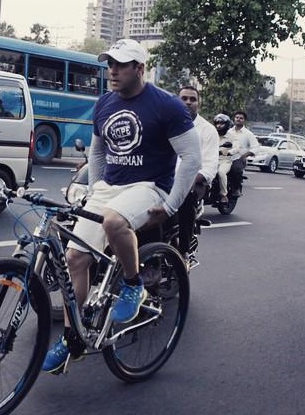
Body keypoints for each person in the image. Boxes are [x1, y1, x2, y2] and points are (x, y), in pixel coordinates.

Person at [41, 39, 201, 374]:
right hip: (109, 188)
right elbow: (97, 152)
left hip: (149, 187)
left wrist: (171, 205)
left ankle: (132, 282)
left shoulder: (166, 106)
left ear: (139, 69)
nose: (112, 71)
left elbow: (191, 158)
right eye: (109, 63)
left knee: (114, 222)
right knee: (75, 257)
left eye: (121, 64)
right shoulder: (104, 105)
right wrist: (94, 187)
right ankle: (73, 340)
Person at [176, 85, 219, 265]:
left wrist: (185, 181)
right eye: (184, 98)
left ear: (198, 104)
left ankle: (184, 252)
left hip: (196, 182)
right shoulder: (167, 124)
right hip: (166, 180)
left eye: (192, 99)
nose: (188, 102)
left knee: (185, 196)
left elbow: (209, 167)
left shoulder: (208, 130)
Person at [227, 110, 258, 196]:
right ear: (234, 119)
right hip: (226, 157)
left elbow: (255, 148)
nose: (238, 119)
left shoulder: (248, 134)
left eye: (241, 118)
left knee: (235, 169)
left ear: (244, 120)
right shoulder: (228, 131)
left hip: (239, 159)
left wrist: (245, 156)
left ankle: (236, 189)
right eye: (237, 117)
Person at [214, 113, 239, 204]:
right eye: (217, 123)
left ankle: (223, 195)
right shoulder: (213, 134)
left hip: (225, 161)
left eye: (221, 123)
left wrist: (228, 152)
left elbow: (236, 147)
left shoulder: (231, 136)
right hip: (212, 159)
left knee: (221, 172)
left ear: (227, 124)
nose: (219, 125)